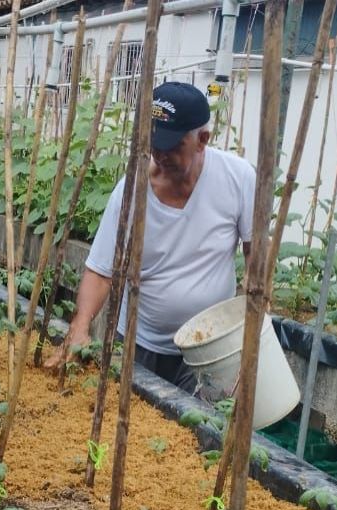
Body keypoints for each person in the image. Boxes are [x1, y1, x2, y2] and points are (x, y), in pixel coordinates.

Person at [45, 81, 256, 393]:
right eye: (155, 145)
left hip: (208, 351)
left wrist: (250, 324)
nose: (161, 155)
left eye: (172, 146)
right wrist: (80, 326)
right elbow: (102, 270)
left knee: (203, 432)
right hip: (137, 343)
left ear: (202, 140)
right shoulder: (131, 190)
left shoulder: (238, 179)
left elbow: (257, 254)